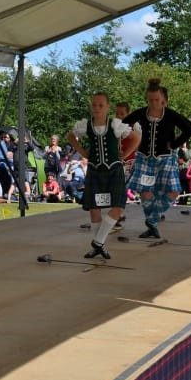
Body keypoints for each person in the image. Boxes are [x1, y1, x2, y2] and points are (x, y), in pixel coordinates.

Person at [68, 92, 140, 258]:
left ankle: (98, 241)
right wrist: (83, 152)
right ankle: (99, 246)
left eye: (101, 105)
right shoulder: (86, 125)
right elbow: (70, 136)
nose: (97, 108)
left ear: (107, 107)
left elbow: (136, 138)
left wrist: (124, 155)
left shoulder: (115, 124)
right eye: (94, 105)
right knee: (95, 208)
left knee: (118, 207)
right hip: (94, 170)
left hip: (114, 170)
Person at [123, 78, 191, 238]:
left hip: (165, 158)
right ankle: (152, 225)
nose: (154, 103)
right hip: (145, 159)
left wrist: (175, 144)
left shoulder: (170, 115)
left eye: (157, 100)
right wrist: (134, 137)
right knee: (145, 191)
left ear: (163, 100)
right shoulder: (142, 113)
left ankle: (153, 218)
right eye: (150, 100)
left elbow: (189, 128)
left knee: (174, 191)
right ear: (147, 99)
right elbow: (124, 124)